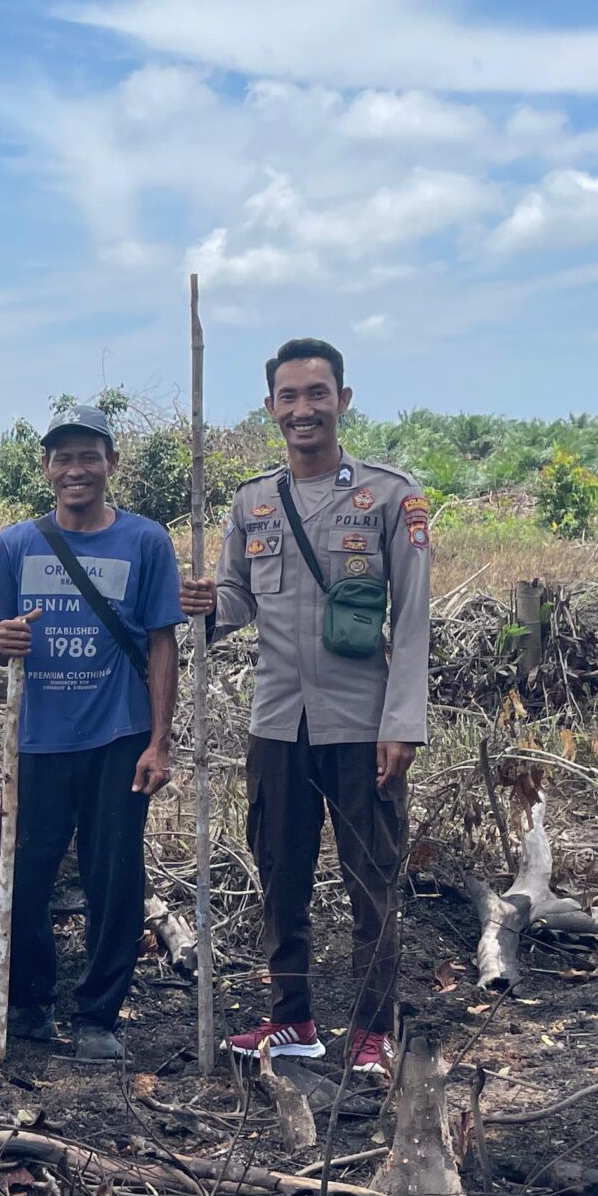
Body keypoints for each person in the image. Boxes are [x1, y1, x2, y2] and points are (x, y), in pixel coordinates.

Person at [179, 337, 431, 1074]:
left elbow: (413, 619)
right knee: (279, 876)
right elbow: (234, 603)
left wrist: (403, 724)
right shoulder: (251, 502)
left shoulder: (390, 496)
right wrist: (201, 605)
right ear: (271, 409)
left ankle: (372, 1031)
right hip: (276, 721)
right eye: (288, 398)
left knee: (371, 881)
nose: (302, 410)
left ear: (343, 401)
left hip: (362, 723)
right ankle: (292, 1020)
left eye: (316, 394)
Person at [0, 400, 183, 1060]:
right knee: (25, 871)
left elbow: (162, 644)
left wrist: (160, 740)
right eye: (63, 457)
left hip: (120, 735)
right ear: (46, 468)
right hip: (38, 737)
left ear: (112, 464)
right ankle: (27, 1002)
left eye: (89, 456)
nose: (76, 469)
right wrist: (2, 644)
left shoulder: (145, 542)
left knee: (114, 876)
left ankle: (98, 1015)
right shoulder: (15, 545)